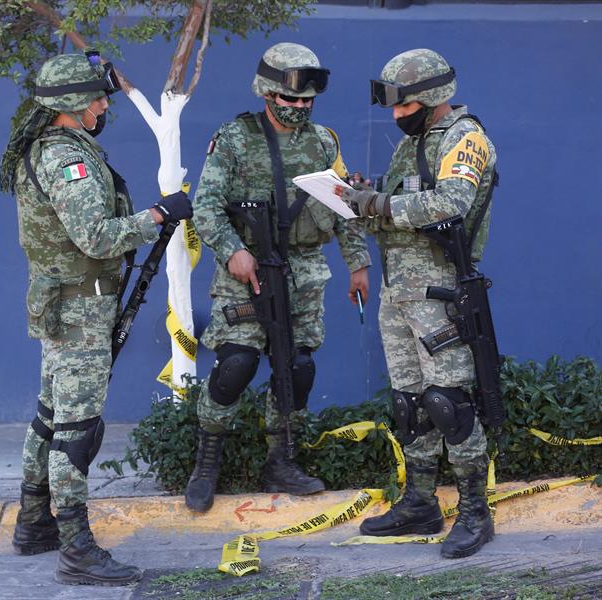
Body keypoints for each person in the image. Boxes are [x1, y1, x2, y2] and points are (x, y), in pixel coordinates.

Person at [0, 51, 192, 586]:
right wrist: (157, 215)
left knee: (51, 415)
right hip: (80, 308)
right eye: (97, 98)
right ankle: (76, 546)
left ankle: (34, 521)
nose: (105, 105)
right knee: (78, 429)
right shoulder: (67, 159)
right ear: (72, 106)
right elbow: (97, 237)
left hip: (69, 301)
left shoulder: (54, 147)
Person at [185, 43, 371, 513]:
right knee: (236, 366)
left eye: (308, 101)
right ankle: (206, 462)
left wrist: (358, 263)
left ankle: (281, 460)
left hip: (304, 270)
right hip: (245, 270)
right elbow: (205, 205)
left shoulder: (324, 142)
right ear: (269, 94)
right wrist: (233, 252)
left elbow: (343, 206)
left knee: (298, 368)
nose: (301, 108)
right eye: (292, 101)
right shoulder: (234, 138)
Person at [338, 49, 498, 559]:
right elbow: (396, 211)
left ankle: (475, 511)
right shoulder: (414, 145)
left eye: (401, 105)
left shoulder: (465, 138)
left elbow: (451, 202)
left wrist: (380, 204)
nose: (395, 116)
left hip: (441, 294)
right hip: (398, 294)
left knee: (448, 404)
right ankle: (421, 503)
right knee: (410, 405)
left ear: (429, 99)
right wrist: (360, 198)